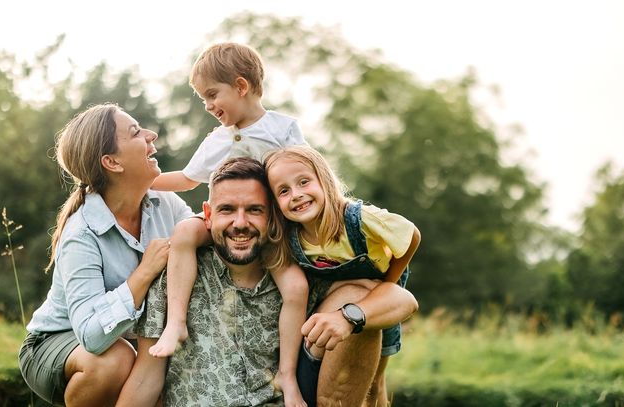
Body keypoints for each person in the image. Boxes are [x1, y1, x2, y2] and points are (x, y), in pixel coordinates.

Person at [117, 157, 418, 406]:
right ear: (207, 215)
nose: (240, 223)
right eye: (227, 210)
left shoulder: (304, 272)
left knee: (358, 307)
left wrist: (347, 318)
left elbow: (403, 300)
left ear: (273, 216)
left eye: (254, 210)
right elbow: (146, 378)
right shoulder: (177, 277)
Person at [149, 42, 309, 407]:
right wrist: (143, 181)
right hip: (224, 225)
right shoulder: (216, 141)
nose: (207, 106)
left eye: (211, 95)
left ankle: (286, 374)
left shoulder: (282, 129)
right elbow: (188, 180)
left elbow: (306, 174)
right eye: (202, 99)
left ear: (241, 86)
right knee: (187, 231)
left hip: (271, 230)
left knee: (297, 290)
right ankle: (176, 323)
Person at [18, 103, 194, 406]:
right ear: (112, 162)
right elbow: (90, 334)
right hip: (59, 341)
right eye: (136, 132)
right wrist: (143, 273)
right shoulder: (81, 234)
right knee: (114, 362)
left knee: (157, 363)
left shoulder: (165, 202)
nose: (151, 136)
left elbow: (195, 238)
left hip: (127, 342)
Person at [264, 145, 421, 407]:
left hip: (379, 300)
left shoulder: (358, 218)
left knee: (376, 382)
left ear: (323, 180)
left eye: (304, 182)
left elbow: (411, 234)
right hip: (338, 299)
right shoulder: (294, 237)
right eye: (284, 191)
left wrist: (388, 282)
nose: (296, 195)